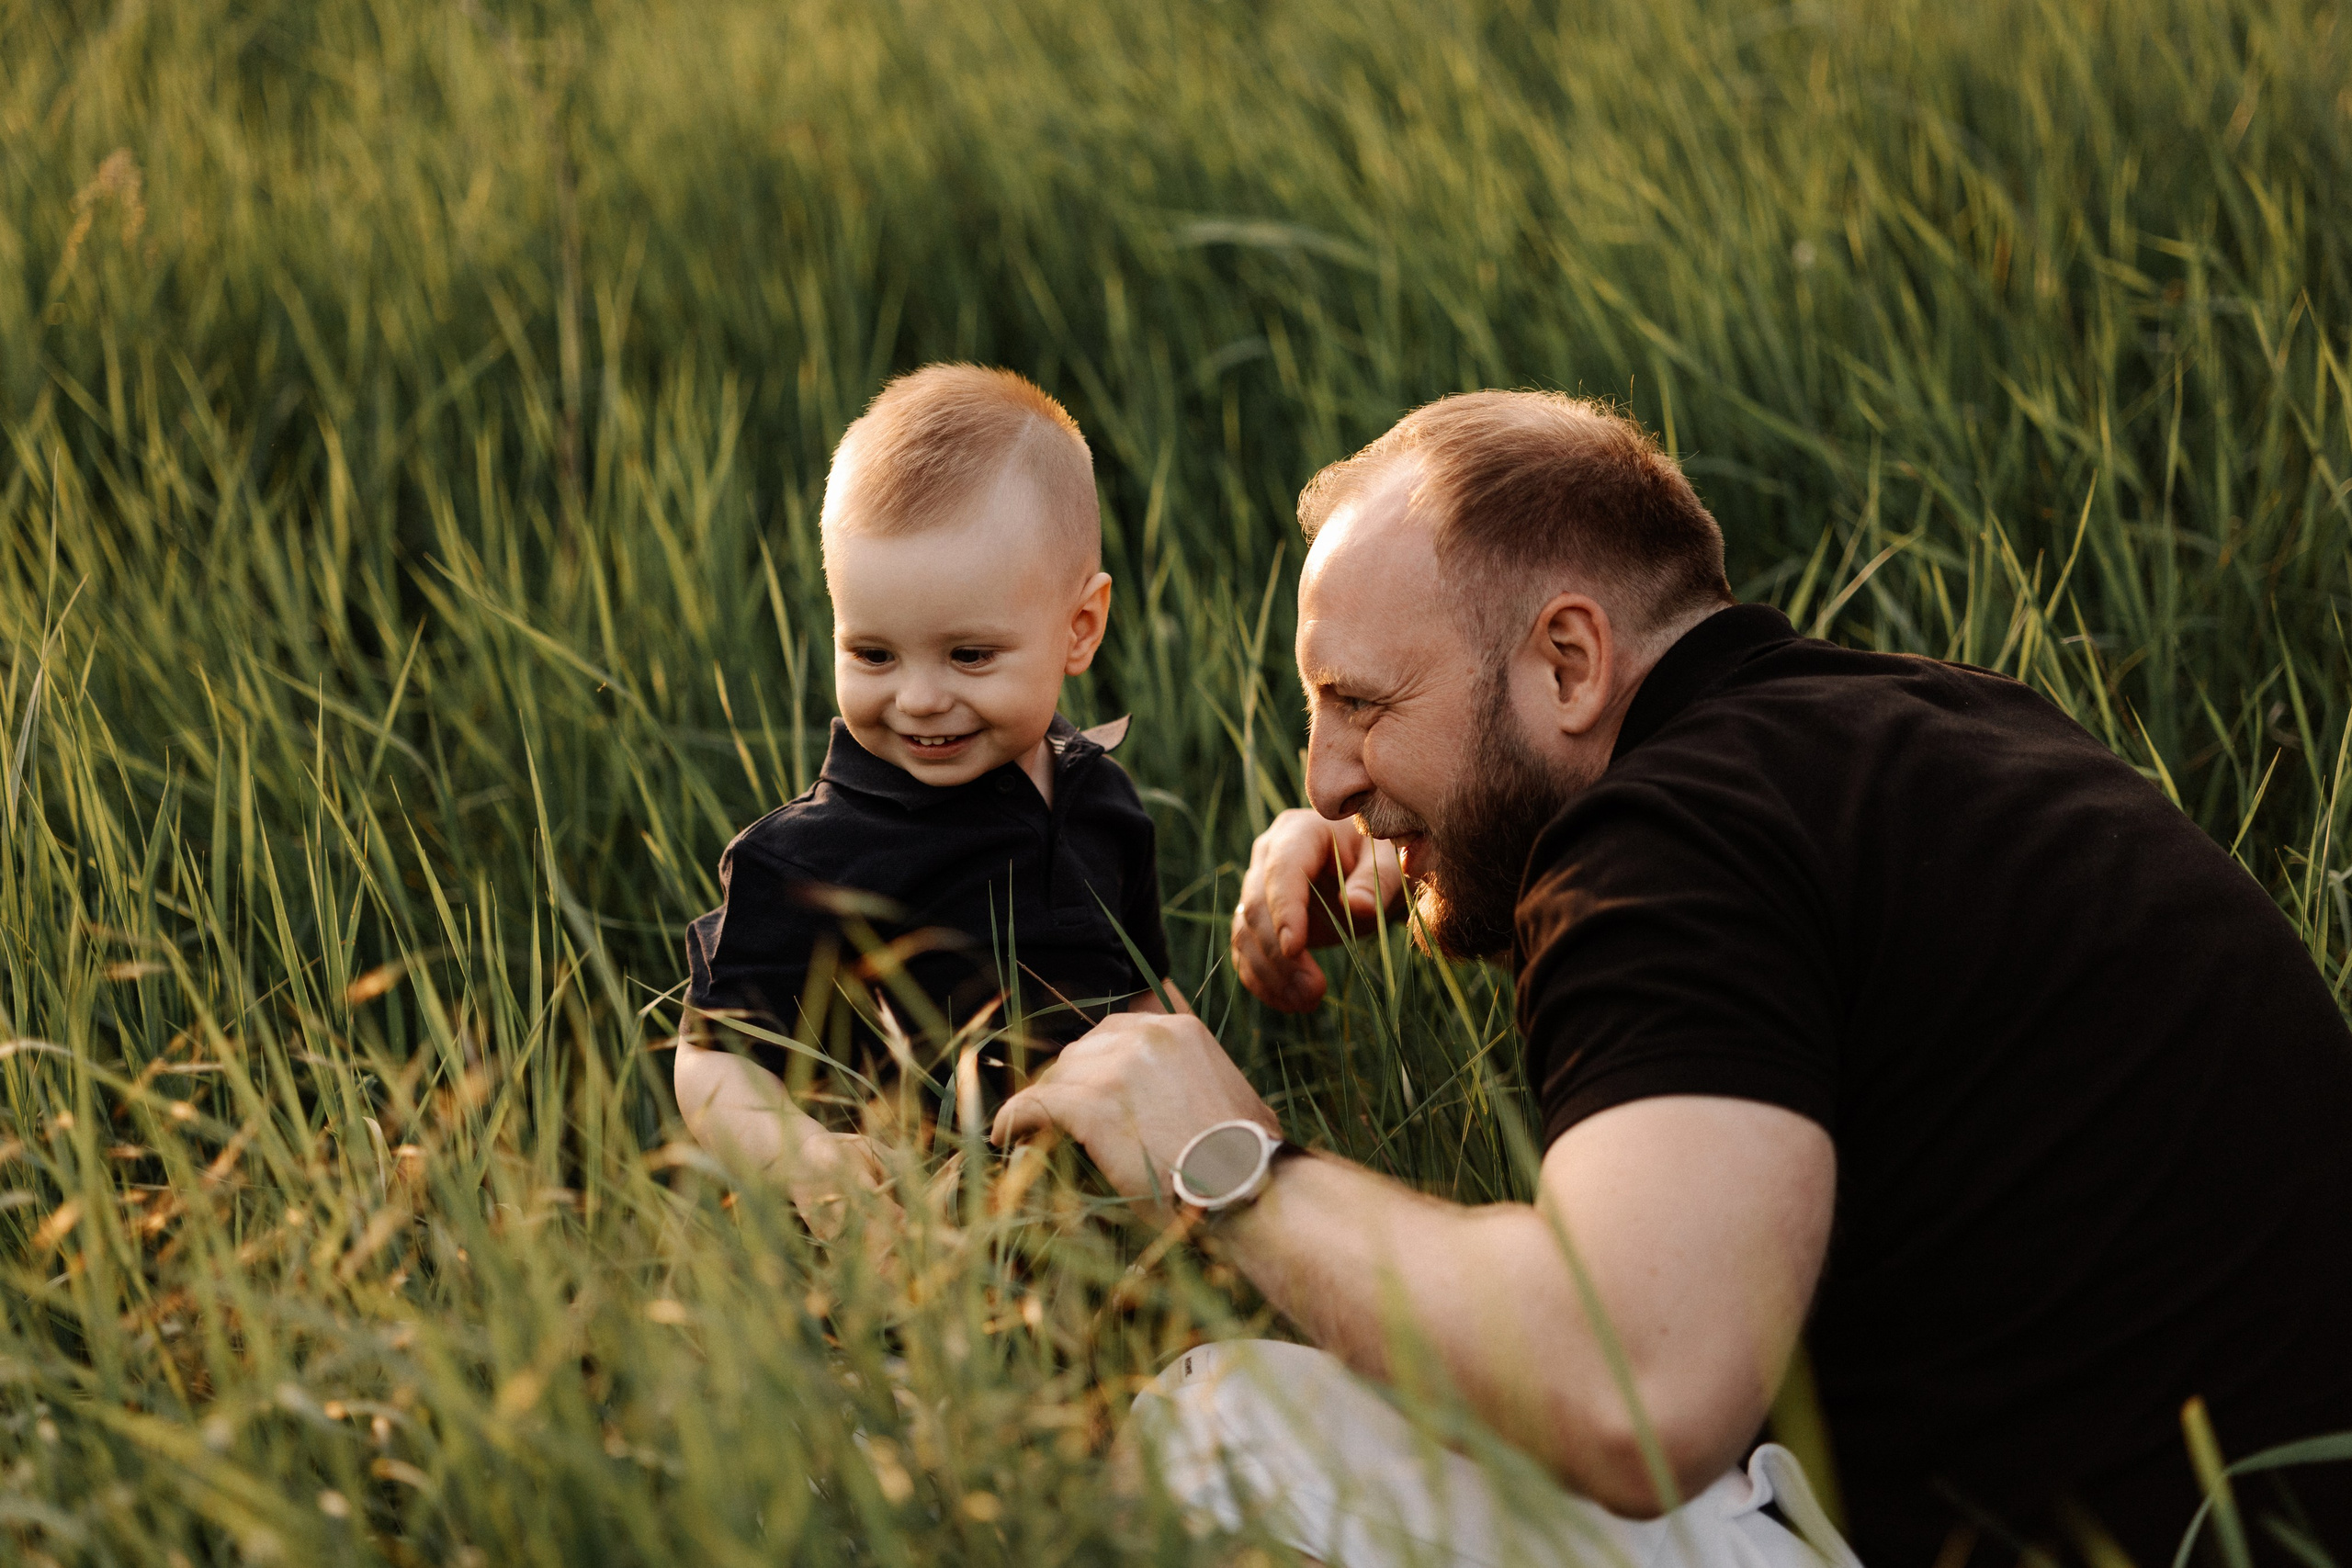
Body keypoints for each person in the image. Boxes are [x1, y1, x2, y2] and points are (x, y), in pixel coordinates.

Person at [993, 390, 2352, 1567]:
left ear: (1570, 660)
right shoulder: (1933, 733)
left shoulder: (1672, 836)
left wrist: (1230, 1159)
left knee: (1225, 1420)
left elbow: (1633, 1389)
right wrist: (1454, 859)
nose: (1326, 776)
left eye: (1362, 703)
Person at [676, 365, 1168, 1229]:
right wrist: (807, 1159)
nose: (919, 698)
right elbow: (710, 1058)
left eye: (969, 655)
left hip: (1095, 1235)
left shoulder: (1101, 804)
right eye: (873, 654)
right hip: (893, 1242)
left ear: (1079, 628)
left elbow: (1144, 1001)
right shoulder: (807, 857)